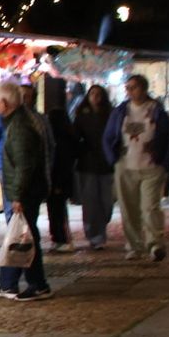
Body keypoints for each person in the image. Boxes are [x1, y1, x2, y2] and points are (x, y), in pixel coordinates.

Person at [0, 81, 54, 301]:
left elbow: (24, 164)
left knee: (25, 237)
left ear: (5, 102)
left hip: (26, 192)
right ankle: (12, 283)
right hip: (27, 190)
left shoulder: (19, 127)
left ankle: (37, 284)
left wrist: (17, 196)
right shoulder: (18, 121)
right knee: (22, 235)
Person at [103, 73, 169, 261]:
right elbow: (109, 136)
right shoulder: (120, 112)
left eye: (133, 87)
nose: (129, 91)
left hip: (151, 167)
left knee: (150, 207)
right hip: (126, 166)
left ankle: (155, 244)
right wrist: (113, 158)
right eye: (127, 87)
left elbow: (168, 139)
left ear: (143, 89)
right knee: (129, 208)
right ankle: (134, 245)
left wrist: (164, 163)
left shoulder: (157, 111)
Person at [71, 84, 116, 247]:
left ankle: (101, 227)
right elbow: (75, 137)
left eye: (98, 94)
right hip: (87, 164)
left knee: (106, 202)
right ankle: (95, 236)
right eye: (92, 94)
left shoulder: (110, 114)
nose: (95, 97)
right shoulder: (82, 116)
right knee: (90, 201)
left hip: (106, 164)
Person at [43, 90, 77, 252]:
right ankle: (60, 237)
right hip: (62, 180)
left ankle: (60, 238)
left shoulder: (58, 141)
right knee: (58, 210)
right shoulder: (68, 138)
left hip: (57, 181)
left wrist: (56, 183)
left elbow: (59, 163)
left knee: (56, 211)